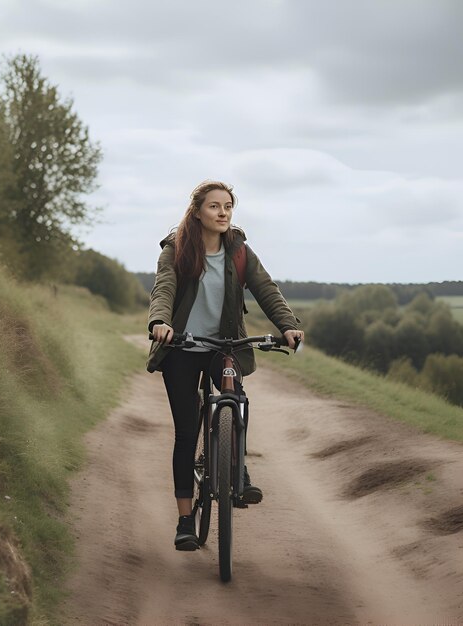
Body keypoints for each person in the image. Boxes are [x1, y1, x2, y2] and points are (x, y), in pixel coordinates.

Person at [146, 180, 304, 551]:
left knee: (236, 400)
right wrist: (160, 323)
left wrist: (288, 325)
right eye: (215, 206)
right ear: (198, 210)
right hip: (183, 346)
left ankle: (238, 470)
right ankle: (186, 520)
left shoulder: (239, 252)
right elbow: (164, 288)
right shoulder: (177, 249)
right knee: (186, 433)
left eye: (228, 206)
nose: (222, 213)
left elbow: (267, 289)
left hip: (224, 346)